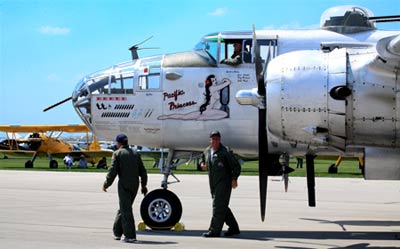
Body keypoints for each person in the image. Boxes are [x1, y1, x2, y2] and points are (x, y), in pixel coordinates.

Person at [102, 134, 148, 243]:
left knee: (126, 210)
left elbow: (112, 171)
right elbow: (143, 171)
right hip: (135, 185)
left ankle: (130, 235)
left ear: (119, 143)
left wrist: (106, 184)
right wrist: (144, 186)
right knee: (124, 207)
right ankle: (117, 232)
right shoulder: (136, 154)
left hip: (124, 185)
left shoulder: (117, 154)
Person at [200, 130, 241, 237]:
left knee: (217, 206)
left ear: (220, 140)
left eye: (217, 139)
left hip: (224, 183)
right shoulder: (207, 151)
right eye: (213, 139)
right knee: (222, 206)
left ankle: (214, 231)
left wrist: (234, 179)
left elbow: (236, 166)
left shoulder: (225, 152)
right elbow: (202, 160)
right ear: (210, 140)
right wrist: (202, 164)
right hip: (213, 183)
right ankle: (234, 228)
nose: (215, 141)